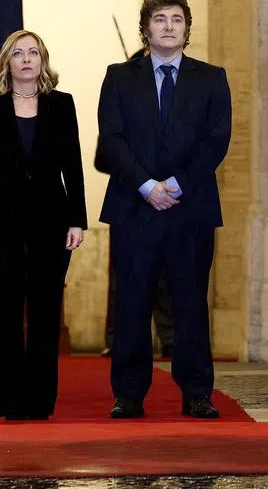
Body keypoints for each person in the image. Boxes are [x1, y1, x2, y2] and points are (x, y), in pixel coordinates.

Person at [97, 0, 232, 419]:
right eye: (160, 20)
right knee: (132, 302)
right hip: (135, 207)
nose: (169, 27)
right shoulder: (118, 77)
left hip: (188, 207)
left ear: (187, 29)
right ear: (145, 29)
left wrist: (174, 184)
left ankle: (196, 393)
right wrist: (145, 186)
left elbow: (216, 140)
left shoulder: (212, 78)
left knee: (190, 301)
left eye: (176, 20)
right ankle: (129, 394)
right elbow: (112, 140)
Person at [0, 30, 87, 421]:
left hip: (52, 224)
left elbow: (74, 166)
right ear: (7, 63)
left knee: (46, 315)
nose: (27, 59)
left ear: (43, 60)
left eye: (34, 52)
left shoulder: (62, 105)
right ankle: (12, 402)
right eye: (18, 53)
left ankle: (40, 401)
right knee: (6, 316)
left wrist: (78, 220)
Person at [97, 50, 174, 360]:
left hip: (171, 199)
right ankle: (118, 340)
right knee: (124, 282)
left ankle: (170, 337)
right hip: (130, 201)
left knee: (168, 278)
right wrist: (139, 174)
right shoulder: (120, 96)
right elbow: (104, 156)